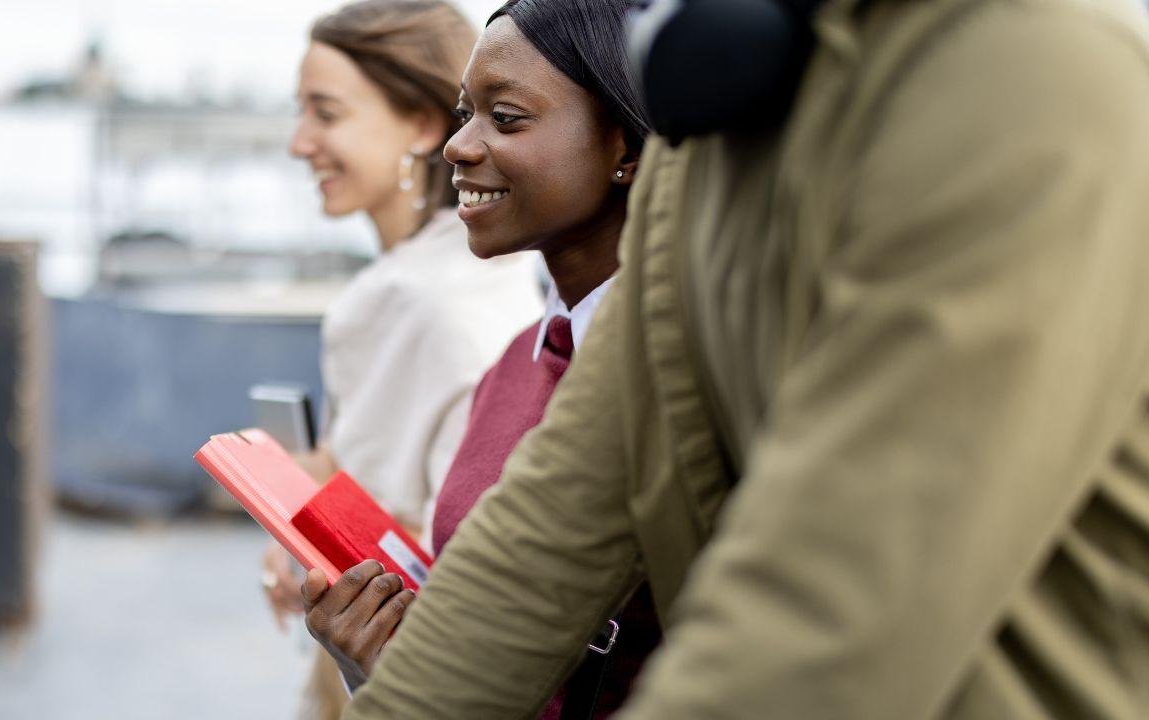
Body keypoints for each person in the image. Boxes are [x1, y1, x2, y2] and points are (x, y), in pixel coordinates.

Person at [338, 0, 1149, 717]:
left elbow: (830, 614)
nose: (462, 146)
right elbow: (547, 531)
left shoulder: (1021, 69)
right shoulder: (713, 135)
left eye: (507, 117)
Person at [297, 2, 660, 717]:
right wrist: (382, 664)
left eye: (507, 118)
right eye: (466, 114)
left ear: (625, 146)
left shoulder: (674, 384)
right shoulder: (516, 364)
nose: (458, 146)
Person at [257, 0, 543, 716]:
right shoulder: (493, 274)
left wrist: (306, 540)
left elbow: (434, 534)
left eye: (326, 113)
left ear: (420, 125)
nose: (299, 142)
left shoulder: (410, 302)